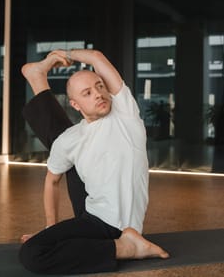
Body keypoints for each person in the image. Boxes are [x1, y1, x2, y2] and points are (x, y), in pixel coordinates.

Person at [19, 49, 169, 275]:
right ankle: (123, 248)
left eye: (100, 86)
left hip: (113, 226)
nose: (98, 94)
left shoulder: (124, 115)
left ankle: (126, 245)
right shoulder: (70, 139)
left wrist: (64, 54)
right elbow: (52, 180)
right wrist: (51, 228)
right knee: (33, 251)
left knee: (35, 253)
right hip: (91, 214)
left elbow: (97, 58)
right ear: (75, 105)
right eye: (87, 93)